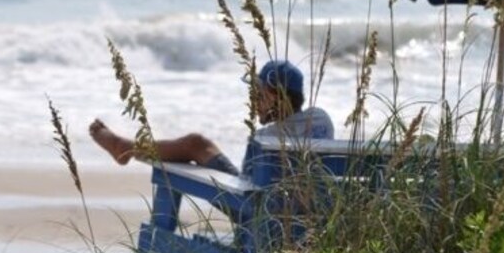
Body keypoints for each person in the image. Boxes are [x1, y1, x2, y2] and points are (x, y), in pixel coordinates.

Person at [89, 59, 334, 176]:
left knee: (196, 144)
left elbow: (248, 187)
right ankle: (125, 148)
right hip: (312, 223)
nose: (254, 101)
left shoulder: (265, 139)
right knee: (198, 145)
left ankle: (126, 148)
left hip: (255, 222)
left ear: (279, 97)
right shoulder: (322, 120)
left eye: (259, 95)